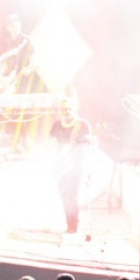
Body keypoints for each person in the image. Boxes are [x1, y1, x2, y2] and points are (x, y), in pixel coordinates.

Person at [48, 98, 93, 236]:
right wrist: (53, 152)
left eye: (69, 109)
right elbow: (50, 142)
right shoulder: (57, 125)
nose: (67, 112)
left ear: (75, 109)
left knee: (70, 194)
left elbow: (90, 145)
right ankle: (70, 226)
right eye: (64, 109)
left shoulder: (83, 125)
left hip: (77, 165)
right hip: (61, 165)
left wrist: (89, 143)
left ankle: (73, 228)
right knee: (64, 194)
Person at [0, 13, 34, 93]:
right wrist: (2, 78)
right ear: (7, 28)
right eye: (12, 26)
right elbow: (4, 62)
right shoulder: (6, 42)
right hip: (10, 80)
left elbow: (33, 61)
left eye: (17, 25)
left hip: (23, 80)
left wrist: (28, 69)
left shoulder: (26, 41)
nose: (15, 28)